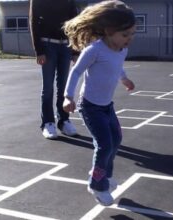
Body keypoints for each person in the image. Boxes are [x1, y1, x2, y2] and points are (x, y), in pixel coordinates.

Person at [62, 0, 136, 206]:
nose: (129, 39)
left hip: (107, 105)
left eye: (132, 34)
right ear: (109, 31)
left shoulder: (121, 50)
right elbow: (76, 71)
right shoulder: (94, 50)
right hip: (90, 106)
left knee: (116, 139)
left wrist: (124, 79)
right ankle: (96, 184)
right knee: (104, 145)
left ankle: (105, 174)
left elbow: (118, 67)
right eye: (125, 35)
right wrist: (68, 97)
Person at [29, 0, 78, 139]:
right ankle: (48, 123)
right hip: (47, 44)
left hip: (65, 46)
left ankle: (63, 121)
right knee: (48, 88)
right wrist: (39, 50)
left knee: (63, 87)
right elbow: (33, 22)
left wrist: (75, 51)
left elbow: (75, 23)